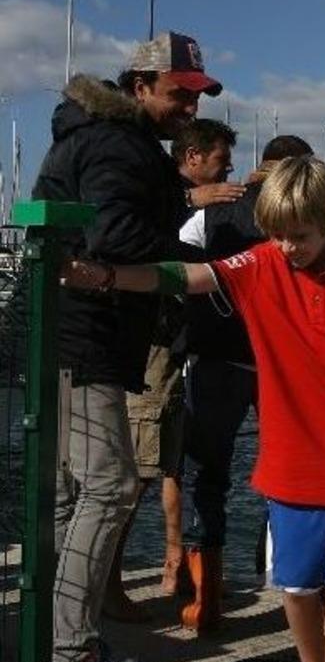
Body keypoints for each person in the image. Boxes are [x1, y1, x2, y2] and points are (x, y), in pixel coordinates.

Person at [63, 156, 325, 662]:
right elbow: (184, 276)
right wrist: (109, 277)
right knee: (297, 586)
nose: (288, 247)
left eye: (301, 236)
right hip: (289, 458)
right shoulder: (261, 263)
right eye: (278, 235)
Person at [34, 30, 221, 662]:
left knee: (66, 496)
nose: (187, 108)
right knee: (110, 488)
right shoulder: (118, 145)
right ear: (140, 86)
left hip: (67, 335)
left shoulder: (111, 138)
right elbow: (114, 237)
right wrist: (199, 271)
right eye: (178, 94)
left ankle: (51, 642)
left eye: (196, 96)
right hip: (84, 338)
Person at [104, 118, 243, 624]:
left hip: (170, 348)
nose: (230, 176)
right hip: (153, 348)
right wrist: (193, 204)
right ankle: (108, 585)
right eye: (221, 164)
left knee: (165, 464)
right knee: (134, 473)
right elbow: (145, 246)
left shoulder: (176, 202)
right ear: (192, 160)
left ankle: (170, 566)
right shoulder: (172, 201)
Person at [177, 134, 314, 631]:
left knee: (207, 474)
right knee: (292, 475)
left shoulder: (217, 210)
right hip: (281, 362)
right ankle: (301, 591)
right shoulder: (306, 215)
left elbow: (179, 256)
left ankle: (204, 600)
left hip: (217, 356)